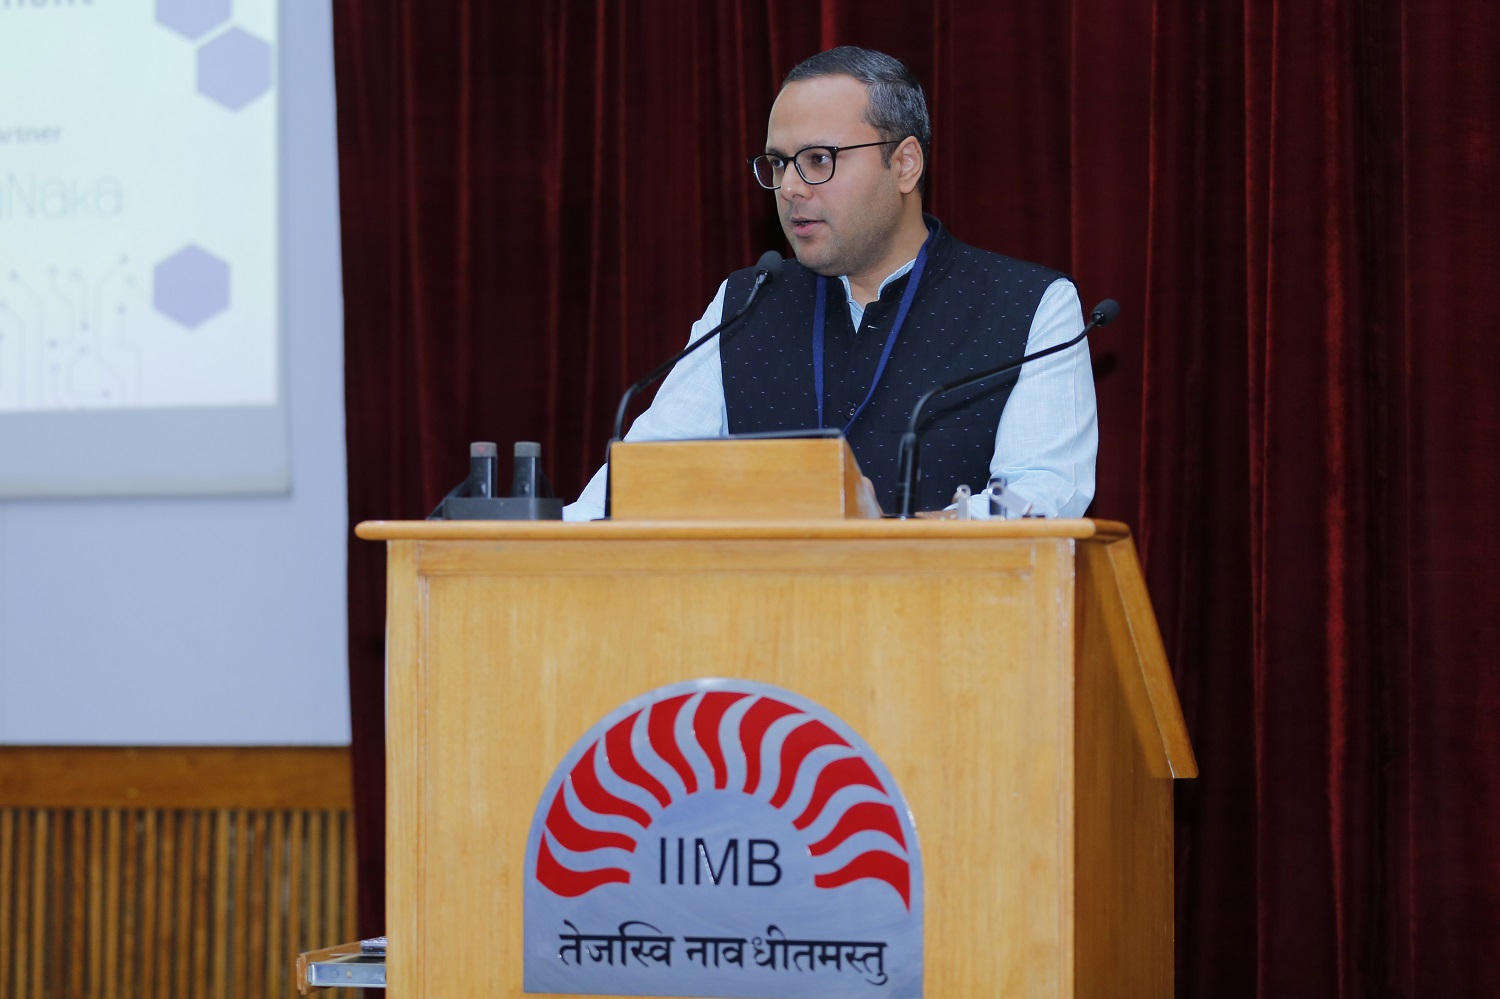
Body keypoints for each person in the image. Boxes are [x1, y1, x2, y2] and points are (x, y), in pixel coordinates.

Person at [564, 46, 1096, 520]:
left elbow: (1040, 494)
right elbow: (646, 480)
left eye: (818, 160)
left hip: (943, 616)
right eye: (778, 163)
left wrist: (912, 531)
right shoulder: (749, 301)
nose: (791, 187)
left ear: (905, 164)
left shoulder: (1027, 306)